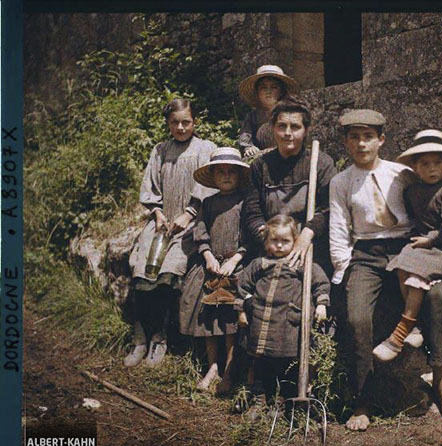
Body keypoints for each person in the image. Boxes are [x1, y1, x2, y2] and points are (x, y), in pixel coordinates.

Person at [329, 113, 442, 430]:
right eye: (354, 137)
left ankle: (441, 382)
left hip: (409, 247)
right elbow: (339, 230)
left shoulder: (403, 174)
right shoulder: (340, 182)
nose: (361, 143)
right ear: (346, 143)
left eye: (369, 136)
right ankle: (363, 400)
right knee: (357, 318)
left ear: (382, 140)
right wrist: (343, 273)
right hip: (366, 254)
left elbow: (437, 203)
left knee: (437, 295)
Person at [374, 129, 442, 423]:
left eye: (437, 163)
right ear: (414, 167)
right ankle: (416, 327)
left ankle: (403, 331)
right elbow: (409, 223)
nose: (431, 169)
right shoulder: (412, 191)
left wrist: (430, 241)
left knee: (415, 265)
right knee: (404, 261)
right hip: (427, 252)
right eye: (424, 164)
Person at [125, 98, 216, 368]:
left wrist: (188, 213)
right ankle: (140, 337)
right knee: (141, 268)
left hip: (190, 224)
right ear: (168, 123)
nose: (180, 127)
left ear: (194, 122)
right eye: (175, 122)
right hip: (162, 222)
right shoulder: (160, 150)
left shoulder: (205, 149)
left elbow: (208, 188)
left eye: (186, 122)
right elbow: (150, 189)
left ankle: (160, 339)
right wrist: (159, 214)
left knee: (168, 273)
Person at [235, 214, 330, 407]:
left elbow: (320, 283)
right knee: (260, 362)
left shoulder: (301, 263)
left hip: (288, 324)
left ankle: (281, 401)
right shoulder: (258, 264)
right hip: (262, 322)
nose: (279, 245)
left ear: (295, 241)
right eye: (274, 241)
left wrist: (321, 304)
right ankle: (259, 399)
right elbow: (243, 287)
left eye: (285, 241)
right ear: (265, 242)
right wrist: (241, 311)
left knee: (287, 364)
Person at [178, 147, 249, 394]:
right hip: (211, 266)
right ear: (213, 176)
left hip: (234, 267)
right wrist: (207, 256)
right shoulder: (208, 204)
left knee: (230, 320)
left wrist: (235, 260)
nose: (226, 176)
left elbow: (250, 236)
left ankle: (229, 371)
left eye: (231, 172)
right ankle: (213, 366)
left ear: (239, 176)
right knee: (209, 317)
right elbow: (200, 232)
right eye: (221, 173)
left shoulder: (245, 202)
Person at [242, 95, 337, 273]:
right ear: (272, 128)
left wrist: (308, 233)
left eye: (295, 127)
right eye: (281, 126)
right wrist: (268, 238)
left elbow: (330, 207)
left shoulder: (320, 164)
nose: (288, 133)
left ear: (306, 130)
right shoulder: (260, 167)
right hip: (271, 250)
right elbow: (252, 212)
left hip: (312, 250)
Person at [237, 65, 298, 159]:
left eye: (274, 87)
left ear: (281, 91)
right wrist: (249, 148)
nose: (268, 91)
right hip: (260, 158)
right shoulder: (252, 116)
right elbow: (245, 138)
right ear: (257, 92)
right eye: (263, 87)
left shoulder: (290, 113)